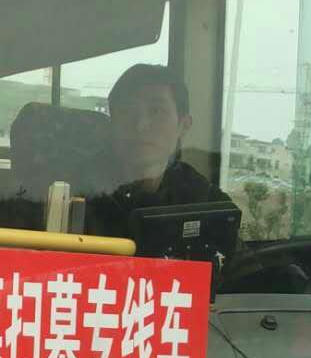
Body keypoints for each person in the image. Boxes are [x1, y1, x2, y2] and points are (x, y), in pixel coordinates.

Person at [81, 63, 232, 238]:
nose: (141, 125)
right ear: (111, 124)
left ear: (183, 126)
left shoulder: (205, 202)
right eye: (126, 111)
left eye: (156, 111)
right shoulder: (75, 192)